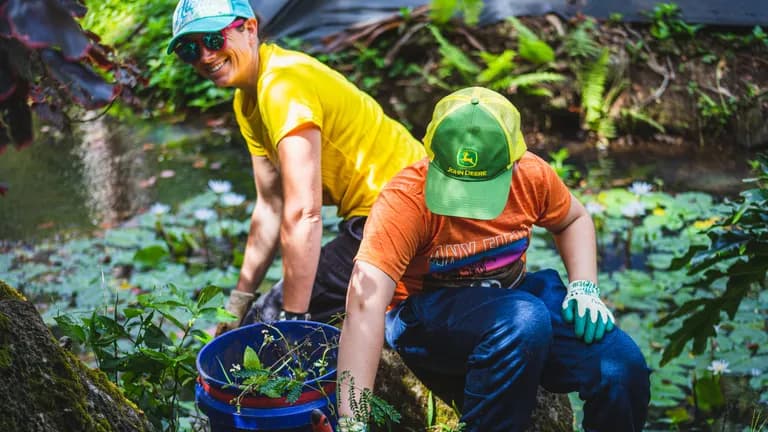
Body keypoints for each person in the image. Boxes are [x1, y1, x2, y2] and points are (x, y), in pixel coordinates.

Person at [336, 87, 651, 432]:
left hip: (513, 299)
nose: (469, 207)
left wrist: (584, 286)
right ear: (432, 157)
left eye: (482, 189)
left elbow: (573, 219)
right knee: (525, 320)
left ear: (515, 162)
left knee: (622, 367)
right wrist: (352, 417)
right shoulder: (406, 200)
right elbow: (364, 304)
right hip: (426, 315)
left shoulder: (533, 175)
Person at [166, 0, 426, 328]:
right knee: (256, 318)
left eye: (214, 40)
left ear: (249, 28)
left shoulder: (282, 85)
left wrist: (293, 319)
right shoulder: (247, 100)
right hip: (386, 210)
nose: (205, 56)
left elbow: (304, 212)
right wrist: (238, 304)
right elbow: (271, 206)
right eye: (190, 50)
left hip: (404, 209)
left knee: (267, 326)